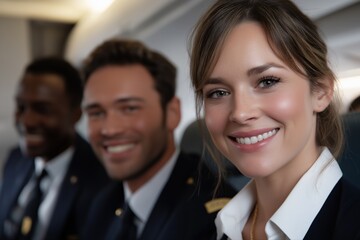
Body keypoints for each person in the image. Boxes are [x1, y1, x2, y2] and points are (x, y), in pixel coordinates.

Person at [190, 0, 360, 239]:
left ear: (320, 91)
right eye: (218, 92)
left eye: (267, 81)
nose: (240, 112)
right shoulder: (219, 228)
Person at [81, 39, 236, 240]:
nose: (109, 129)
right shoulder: (101, 205)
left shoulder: (217, 220)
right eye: (96, 113)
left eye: (129, 108)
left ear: (172, 113)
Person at [0, 57, 110, 240]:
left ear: (75, 114)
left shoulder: (100, 178)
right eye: (21, 107)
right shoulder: (15, 159)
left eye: (42, 109)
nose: (26, 121)